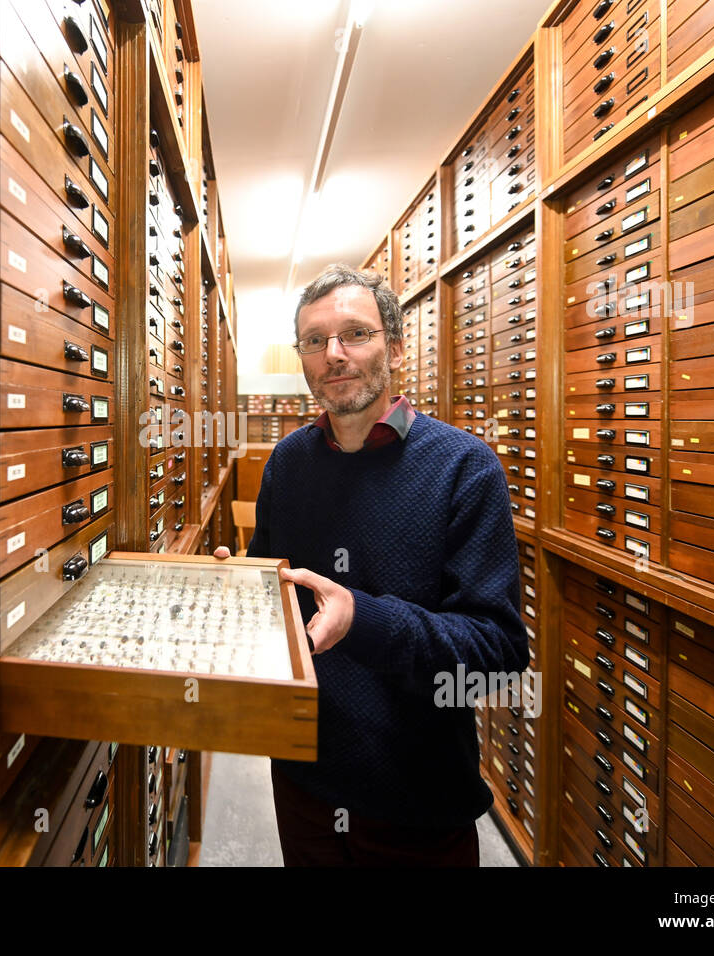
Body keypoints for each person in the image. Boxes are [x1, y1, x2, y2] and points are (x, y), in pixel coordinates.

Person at [213, 263, 527, 866]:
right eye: (315, 341)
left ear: (397, 347)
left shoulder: (464, 467)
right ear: (303, 358)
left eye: (355, 334)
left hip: (418, 801)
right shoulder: (288, 462)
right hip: (305, 780)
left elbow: (499, 655)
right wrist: (240, 586)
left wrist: (363, 620)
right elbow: (277, 591)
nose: (334, 354)